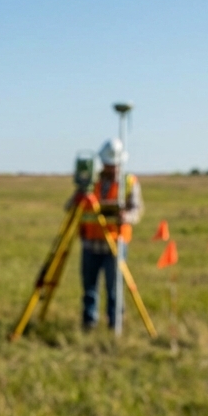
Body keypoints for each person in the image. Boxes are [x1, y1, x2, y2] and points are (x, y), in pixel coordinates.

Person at [77, 138, 144, 329]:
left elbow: (136, 210)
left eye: (114, 164)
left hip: (116, 243)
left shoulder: (129, 182)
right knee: (89, 287)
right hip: (90, 242)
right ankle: (89, 323)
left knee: (114, 288)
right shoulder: (91, 180)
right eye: (107, 164)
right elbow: (72, 208)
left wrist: (126, 216)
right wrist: (79, 195)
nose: (111, 168)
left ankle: (115, 324)